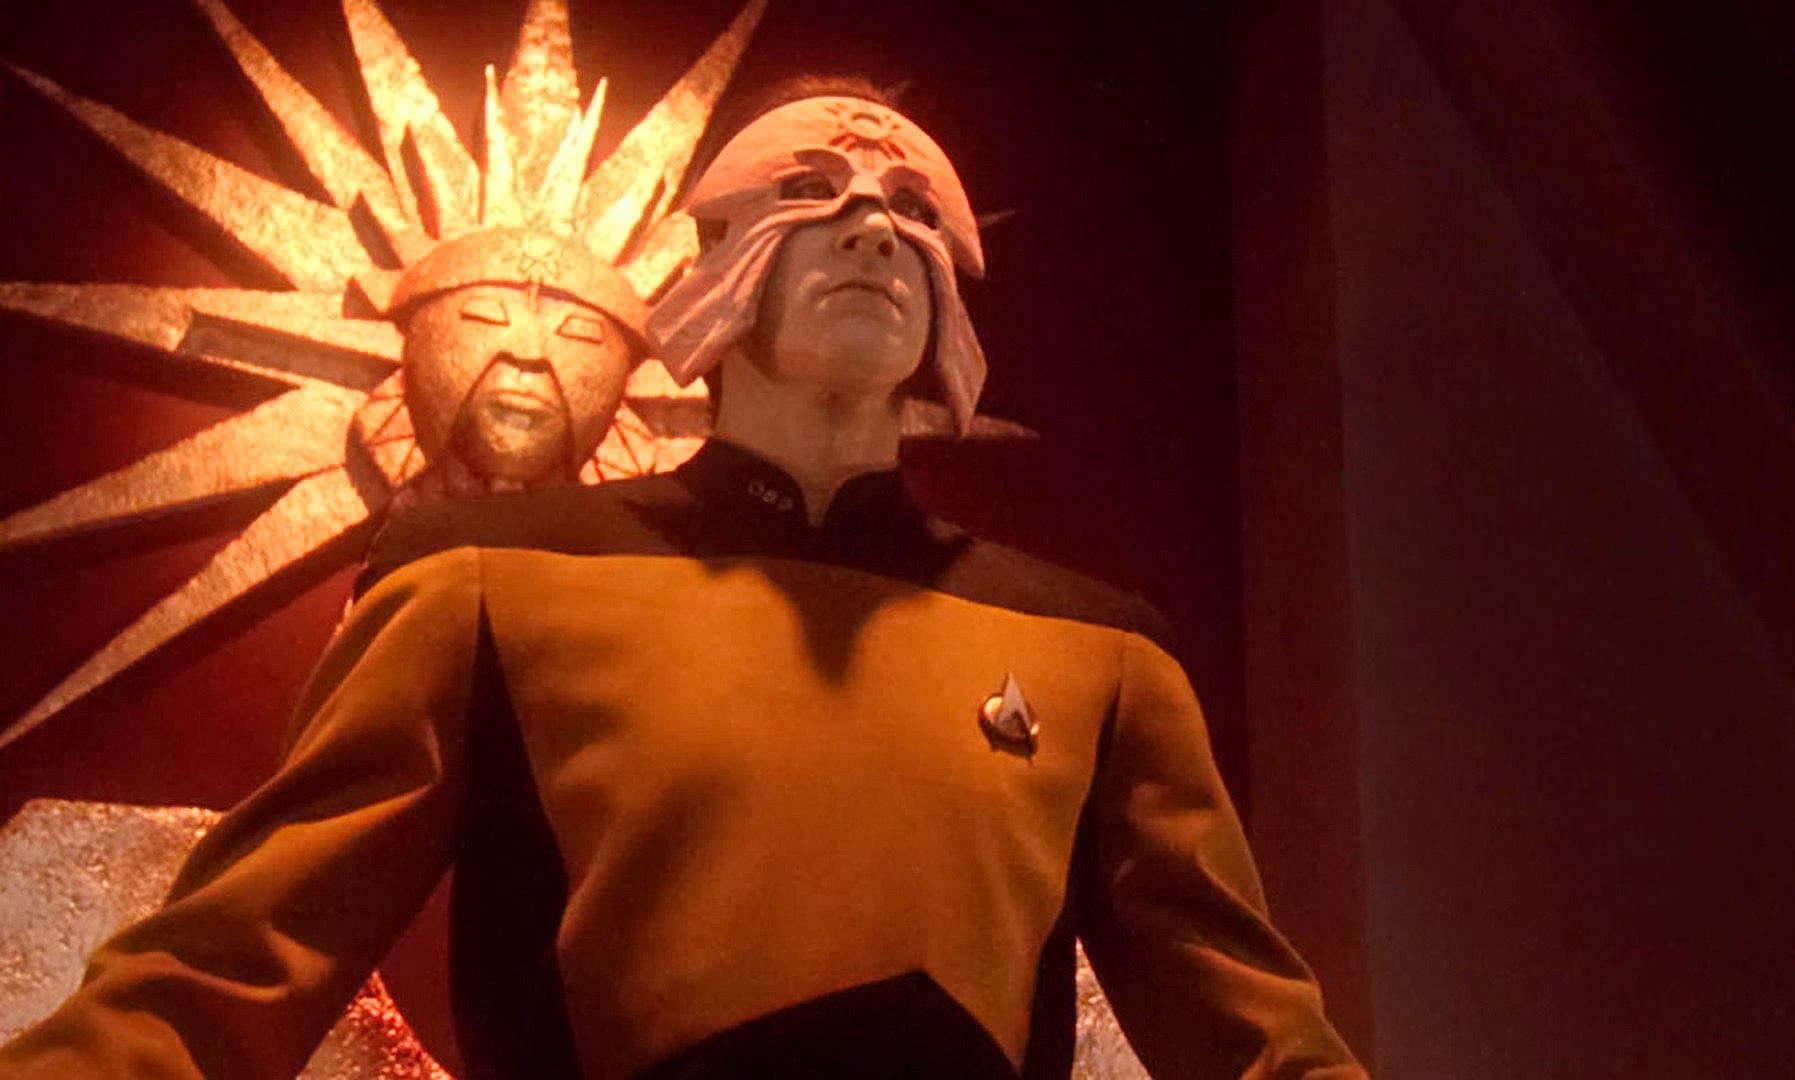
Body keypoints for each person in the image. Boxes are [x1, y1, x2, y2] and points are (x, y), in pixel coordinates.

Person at [0, 82, 1365, 1080]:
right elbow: (238, 956)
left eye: (912, 210)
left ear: (953, 294)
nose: (872, 229)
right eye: (811, 193)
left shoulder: (1098, 649)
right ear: (714, 265)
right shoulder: (488, 580)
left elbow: (1256, 1037)